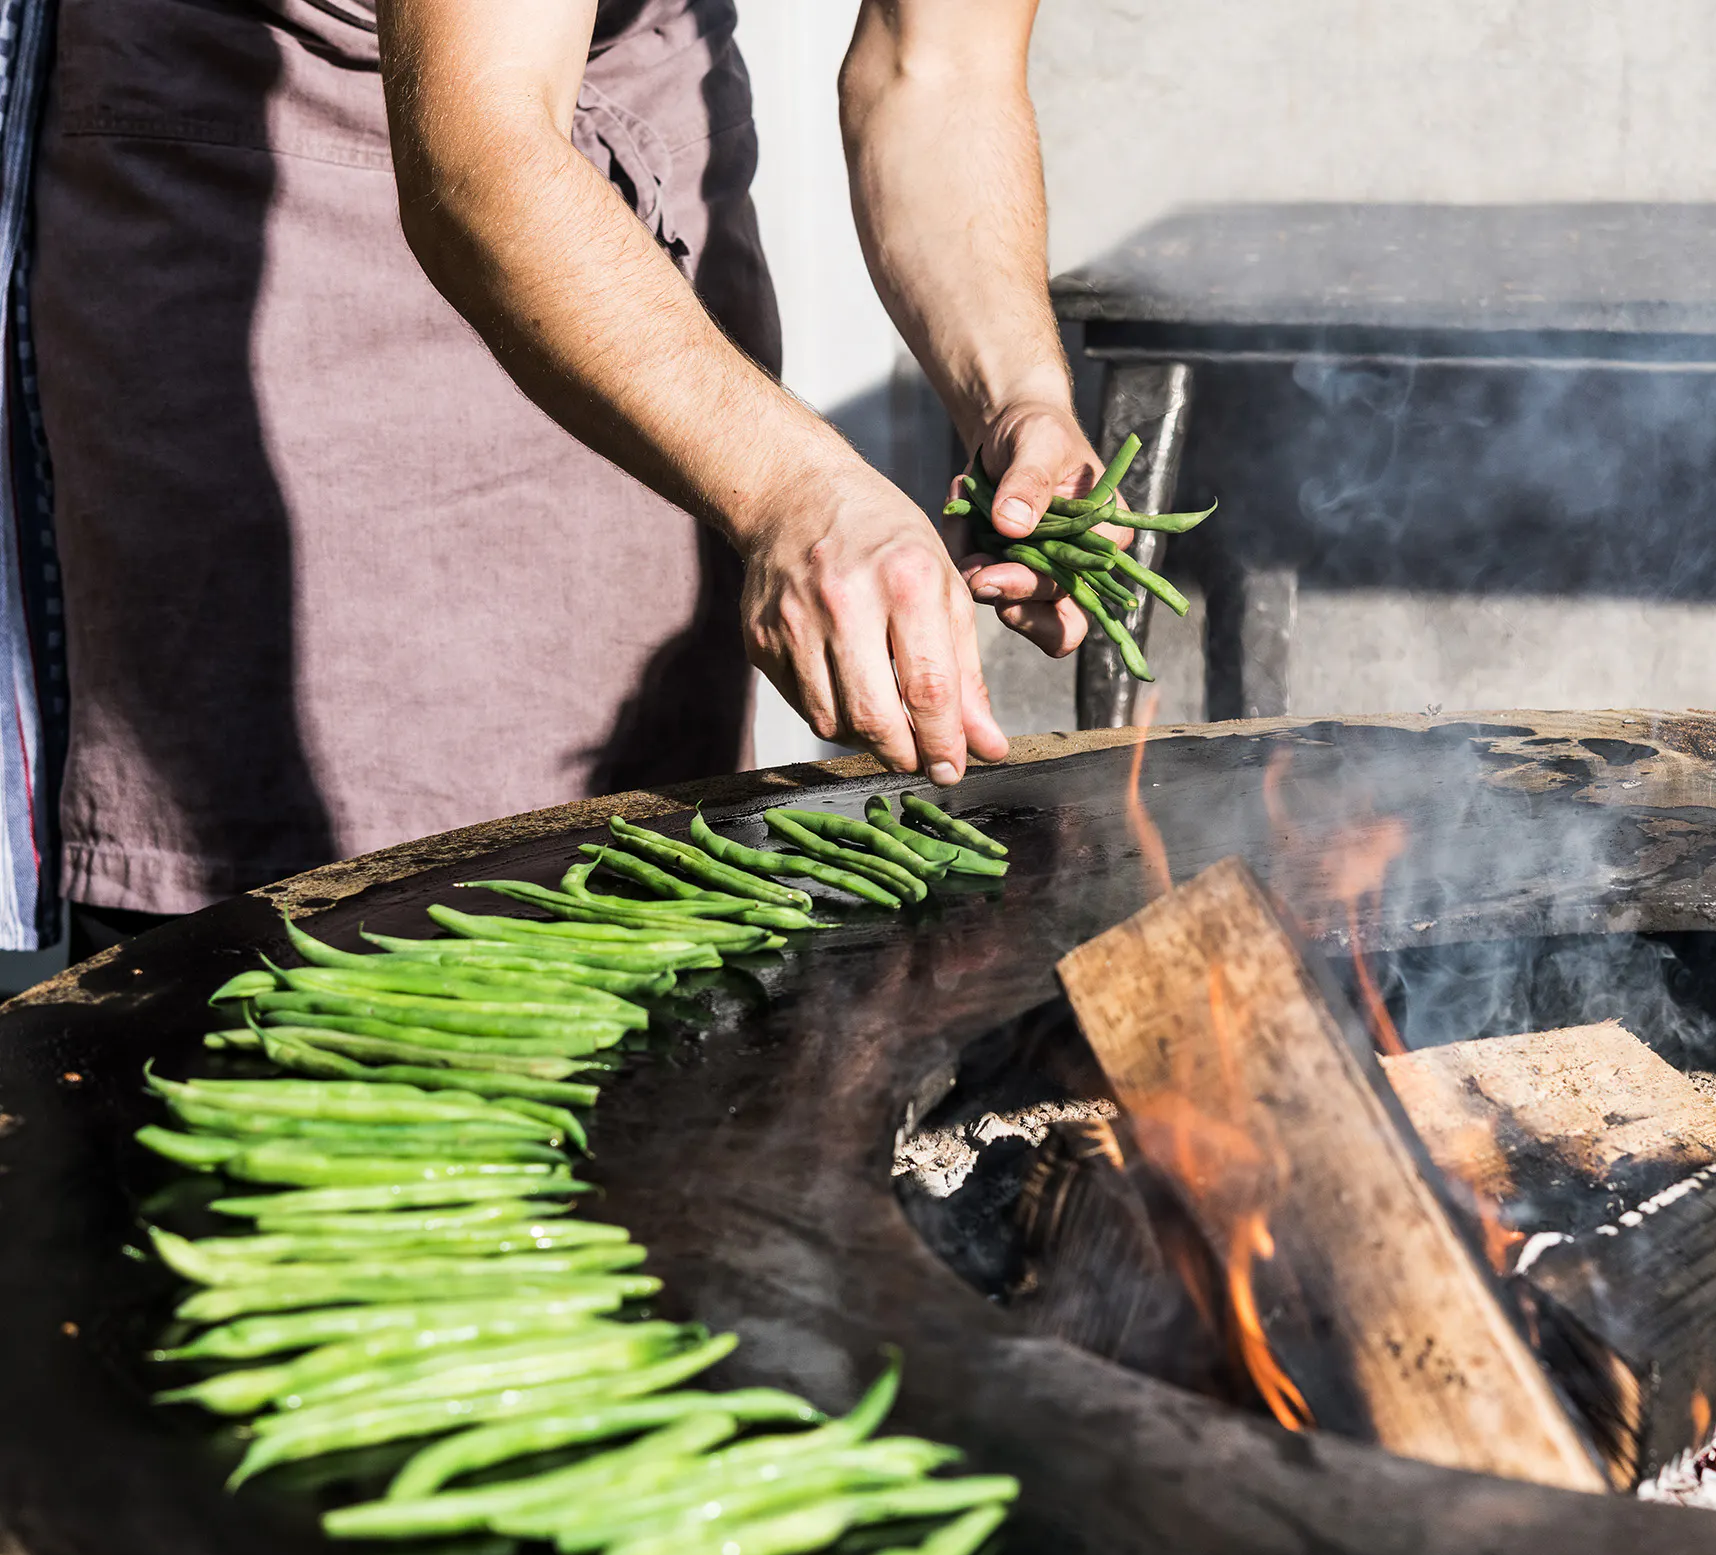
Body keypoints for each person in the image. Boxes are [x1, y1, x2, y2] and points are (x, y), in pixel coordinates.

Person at [33, 0, 1094, 962]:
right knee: (333, 927)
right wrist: (796, 490)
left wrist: (1016, 394)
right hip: (302, 210)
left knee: (642, 897)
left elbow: (937, 68)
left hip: (616, 169)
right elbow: (480, 149)